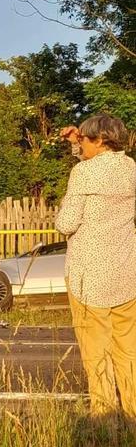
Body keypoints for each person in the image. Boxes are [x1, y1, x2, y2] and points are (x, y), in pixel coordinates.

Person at [57, 114, 136, 417]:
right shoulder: (129, 167)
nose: (81, 145)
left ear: (100, 140)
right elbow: (97, 161)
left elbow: (67, 223)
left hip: (89, 277)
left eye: (87, 139)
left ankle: (104, 418)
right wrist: (78, 142)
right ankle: (132, 416)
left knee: (97, 353)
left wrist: (61, 214)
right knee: (128, 351)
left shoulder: (83, 173)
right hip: (125, 274)